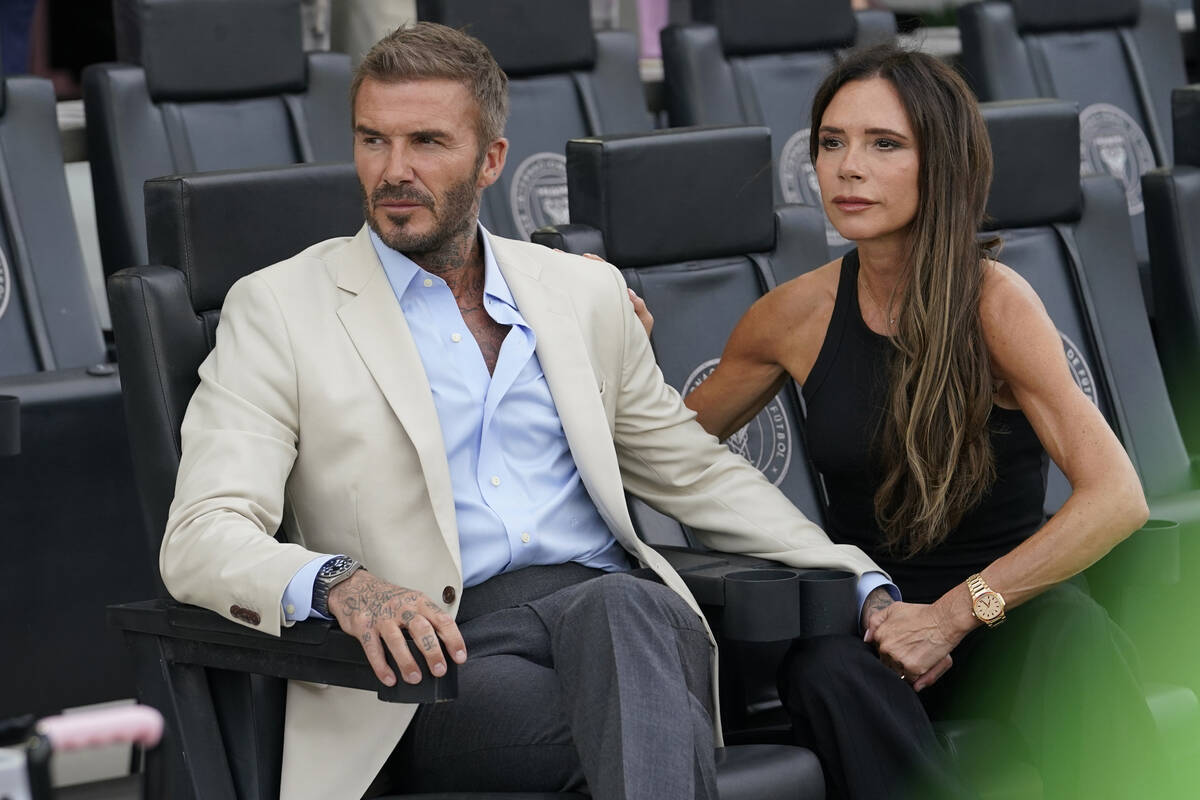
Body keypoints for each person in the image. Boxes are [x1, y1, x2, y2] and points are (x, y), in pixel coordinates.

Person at [159, 22, 890, 800]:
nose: (394, 171)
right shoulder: (280, 309)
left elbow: (696, 474)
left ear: (492, 161)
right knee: (645, 710)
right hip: (443, 655)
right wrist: (343, 584)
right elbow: (202, 534)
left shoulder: (581, 294)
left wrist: (856, 578)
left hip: (618, 627)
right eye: (373, 141)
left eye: (428, 142)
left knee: (623, 609)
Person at [667, 45, 1164, 799]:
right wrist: (606, 331)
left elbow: (1117, 498)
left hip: (1008, 616)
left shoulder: (997, 305)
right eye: (831, 143)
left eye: (885, 144)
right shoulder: (791, 316)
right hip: (870, 625)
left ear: (944, 164)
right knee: (822, 669)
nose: (847, 168)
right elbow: (659, 447)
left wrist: (958, 614)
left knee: (1077, 637)